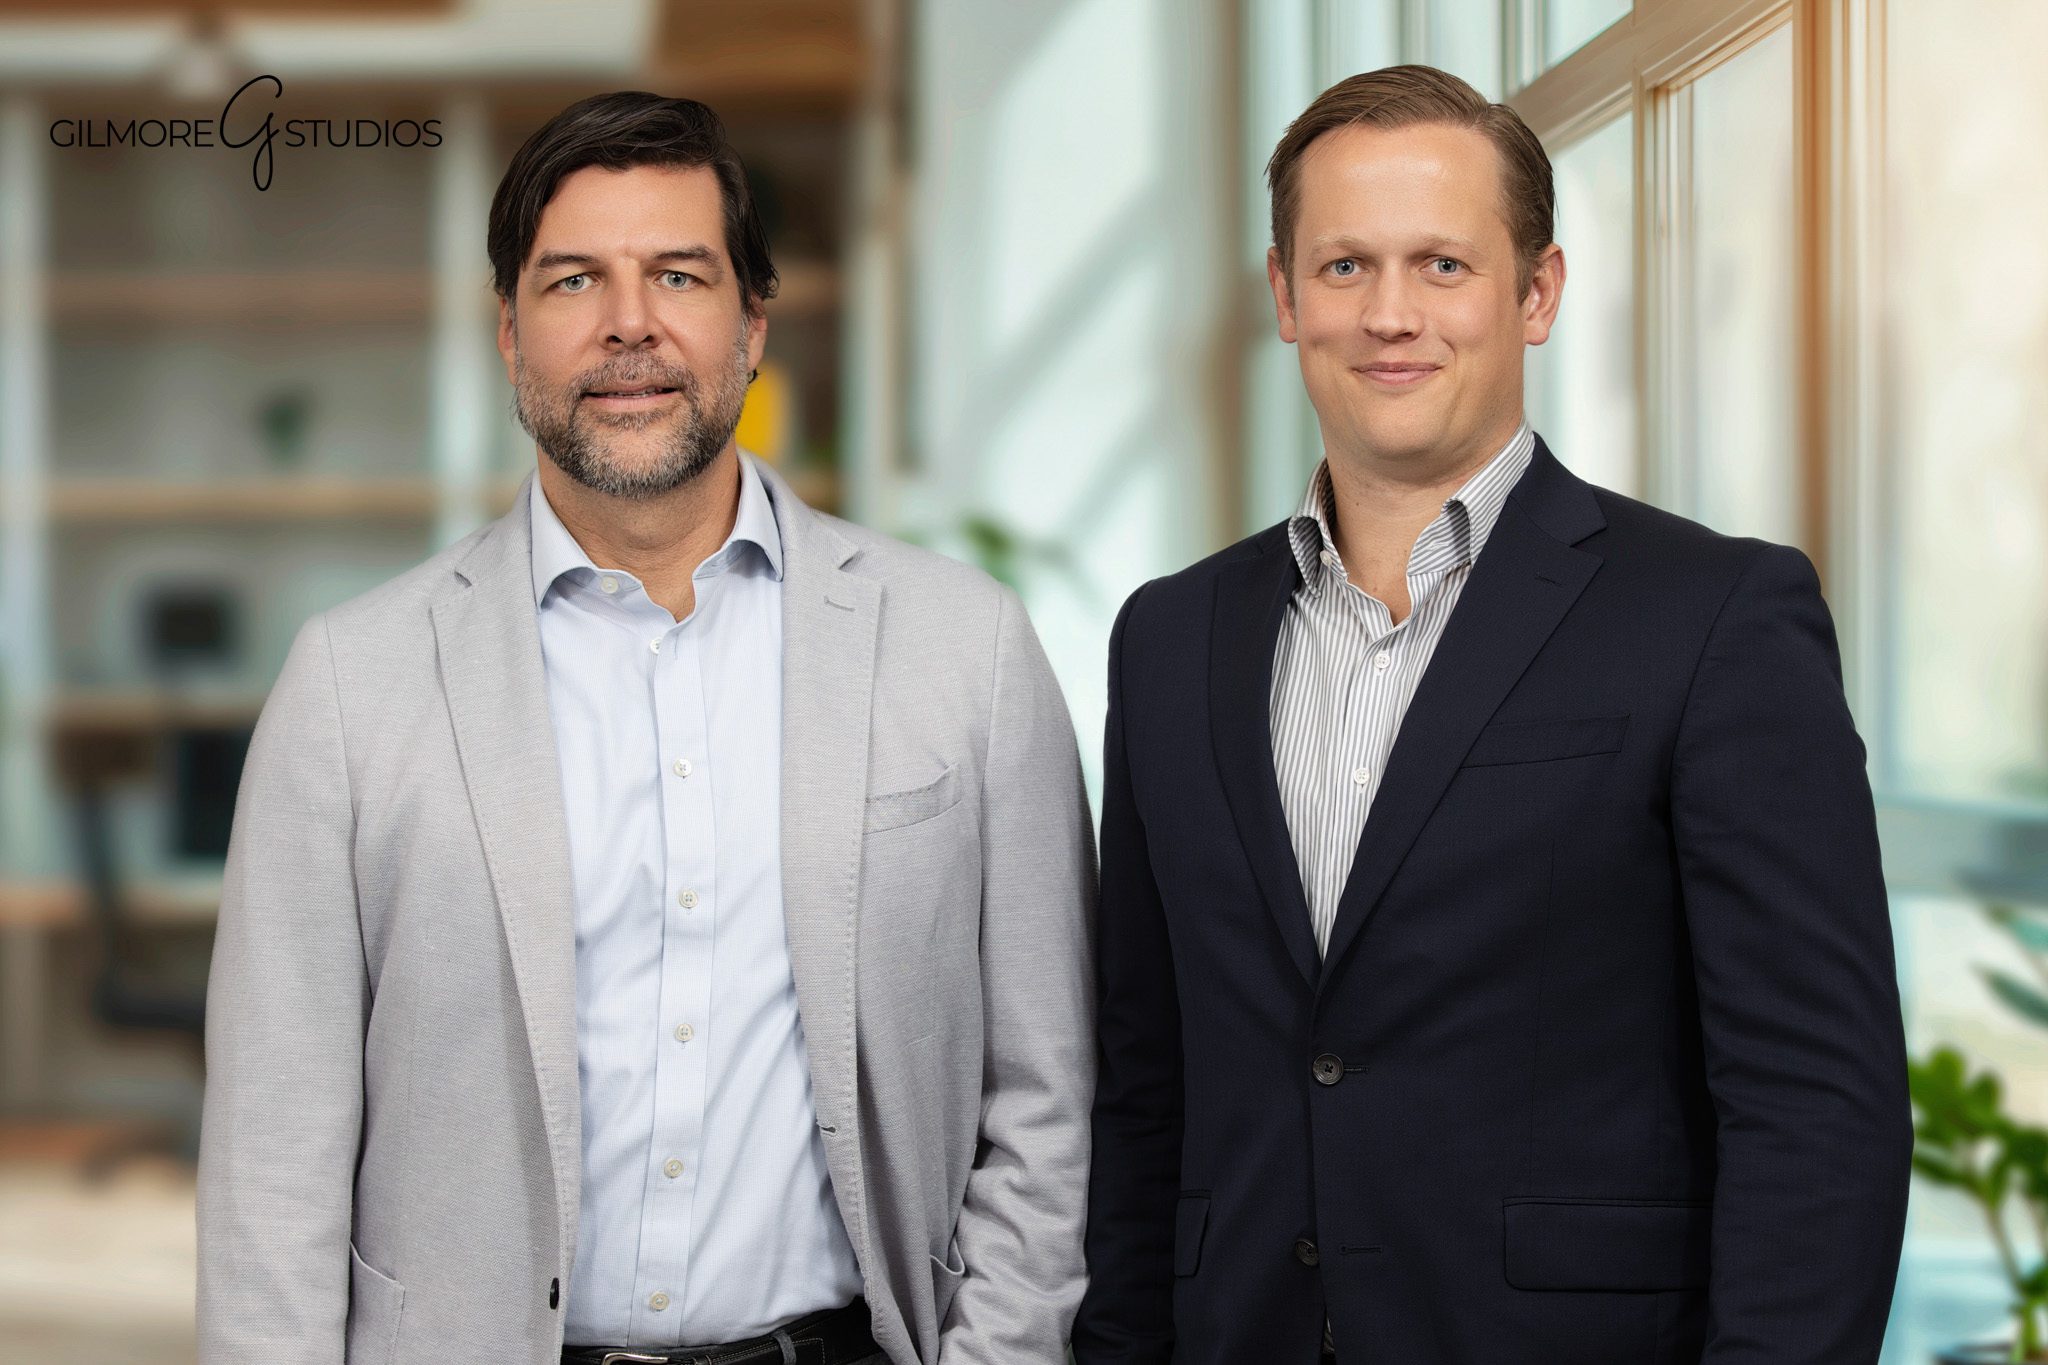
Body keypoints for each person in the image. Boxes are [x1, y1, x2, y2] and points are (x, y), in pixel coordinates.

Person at [197, 91, 1095, 1365]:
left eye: (678, 274)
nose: (630, 324)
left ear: (752, 324)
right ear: (508, 335)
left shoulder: (968, 650)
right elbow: (269, 1159)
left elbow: (1045, 1097)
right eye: (574, 283)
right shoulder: (349, 685)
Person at [1074, 65, 1909, 1365]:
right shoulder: (1171, 638)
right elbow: (1144, 1082)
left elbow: (1818, 1106)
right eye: (1345, 267)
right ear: (1286, 298)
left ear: (1538, 294)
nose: (1391, 315)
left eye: (1444, 266)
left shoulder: (1714, 617)